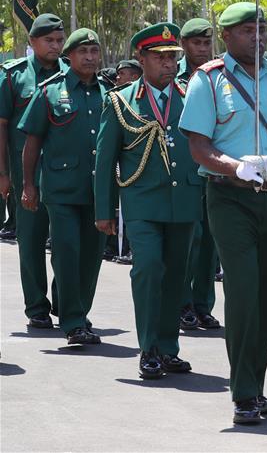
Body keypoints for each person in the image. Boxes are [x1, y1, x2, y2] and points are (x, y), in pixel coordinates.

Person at [180, 3, 267, 424]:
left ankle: (255, 386)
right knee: (242, 291)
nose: (256, 37)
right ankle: (242, 392)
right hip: (229, 196)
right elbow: (199, 146)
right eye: (245, 31)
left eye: (261, 30)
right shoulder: (208, 80)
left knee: (264, 294)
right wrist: (234, 165)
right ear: (225, 36)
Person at [94, 23, 202, 381]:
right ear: (142, 58)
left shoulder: (191, 97)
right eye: (160, 58)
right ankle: (148, 348)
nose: (169, 65)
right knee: (149, 268)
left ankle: (169, 348)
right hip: (141, 202)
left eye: (173, 58)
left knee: (176, 275)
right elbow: (105, 160)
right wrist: (104, 211)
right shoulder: (121, 101)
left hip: (184, 200)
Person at [19, 28, 109, 346]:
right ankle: (73, 321)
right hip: (60, 189)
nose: (89, 57)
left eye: (94, 51)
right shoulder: (50, 91)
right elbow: (32, 142)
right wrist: (29, 185)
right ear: (68, 56)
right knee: (67, 251)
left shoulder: (110, 94)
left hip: (99, 190)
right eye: (82, 52)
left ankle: (79, 311)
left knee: (91, 256)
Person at [0, 13, 66, 329]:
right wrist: (3, 173)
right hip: (25, 175)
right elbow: (1, 129)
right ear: (32, 42)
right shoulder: (13, 77)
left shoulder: (72, 75)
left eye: (59, 40)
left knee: (68, 242)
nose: (55, 46)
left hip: (65, 175)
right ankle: (37, 306)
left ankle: (66, 302)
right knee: (30, 241)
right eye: (48, 40)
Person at [176, 17, 220, 331]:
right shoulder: (171, 75)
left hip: (215, 169)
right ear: (184, 44)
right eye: (196, 43)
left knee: (211, 242)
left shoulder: (219, 75)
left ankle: (203, 305)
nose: (202, 49)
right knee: (187, 242)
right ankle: (182, 303)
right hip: (184, 171)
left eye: (207, 43)